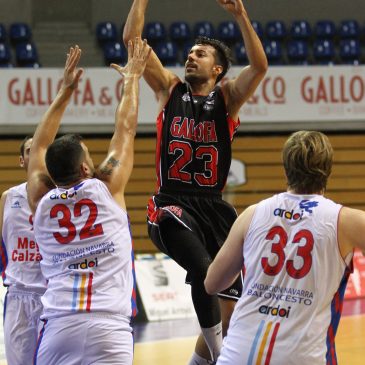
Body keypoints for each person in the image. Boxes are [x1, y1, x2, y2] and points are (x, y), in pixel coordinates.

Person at [123, 0, 267, 363]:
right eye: (188, 53)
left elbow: (260, 66)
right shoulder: (169, 91)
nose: (190, 57)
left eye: (200, 54)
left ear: (217, 69)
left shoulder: (228, 98)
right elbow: (132, 38)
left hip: (214, 209)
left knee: (228, 311)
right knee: (206, 273)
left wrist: (240, 15)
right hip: (171, 204)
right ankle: (222, 358)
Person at [26, 38, 151, 364]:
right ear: (85, 167)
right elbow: (126, 128)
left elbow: (38, 147)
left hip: (59, 326)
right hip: (109, 325)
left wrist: (65, 92)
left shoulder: (40, 197)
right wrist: (132, 80)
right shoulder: (106, 186)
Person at [204, 130, 363, 365]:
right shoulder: (346, 220)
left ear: (286, 168)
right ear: (328, 169)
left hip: (238, 354)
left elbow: (212, 283)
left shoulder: (253, 214)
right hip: (300, 356)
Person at [0, 136, 47, 365]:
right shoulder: (8, 198)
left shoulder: (60, 198)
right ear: (21, 160)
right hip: (18, 296)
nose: (36, 153)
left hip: (53, 297)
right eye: (30, 149)